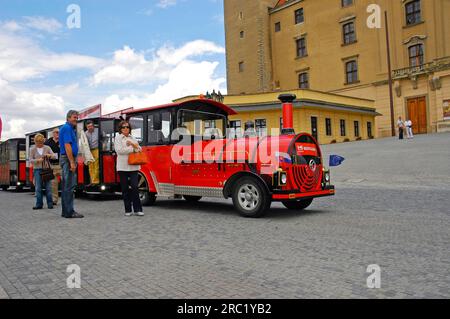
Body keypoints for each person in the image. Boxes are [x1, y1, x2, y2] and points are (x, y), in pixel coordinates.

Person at [114, 120, 144, 217]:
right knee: (125, 188)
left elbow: (140, 149)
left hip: (133, 166)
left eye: (127, 127)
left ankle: (138, 209)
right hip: (122, 167)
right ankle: (128, 209)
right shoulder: (118, 138)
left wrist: (132, 146)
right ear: (120, 129)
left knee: (135, 187)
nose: (125, 129)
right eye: (123, 127)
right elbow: (119, 150)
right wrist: (132, 149)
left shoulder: (133, 137)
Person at [60, 110, 84, 219]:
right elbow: (67, 146)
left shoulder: (69, 128)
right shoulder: (67, 128)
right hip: (67, 159)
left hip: (67, 158)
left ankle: (66, 211)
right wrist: (72, 162)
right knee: (69, 186)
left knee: (66, 186)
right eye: (75, 117)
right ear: (68, 118)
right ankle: (69, 212)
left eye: (77, 117)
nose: (76, 119)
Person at [30, 134, 56, 210]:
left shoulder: (47, 147)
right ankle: (39, 204)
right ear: (35, 142)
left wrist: (49, 155)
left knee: (48, 187)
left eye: (41, 142)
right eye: (38, 143)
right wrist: (37, 160)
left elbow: (55, 156)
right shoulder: (32, 149)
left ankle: (50, 204)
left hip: (47, 169)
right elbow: (30, 160)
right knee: (38, 188)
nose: (39, 144)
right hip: (37, 170)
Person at [45, 128, 61, 206]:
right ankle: (54, 200)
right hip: (51, 165)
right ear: (53, 133)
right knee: (53, 184)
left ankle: (66, 198)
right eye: (56, 132)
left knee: (66, 182)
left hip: (61, 164)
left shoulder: (63, 140)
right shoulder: (47, 142)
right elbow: (44, 153)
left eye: (59, 132)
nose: (58, 134)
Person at [85, 121, 100, 185]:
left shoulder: (99, 130)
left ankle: (95, 181)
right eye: (88, 127)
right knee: (90, 165)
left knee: (96, 165)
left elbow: (105, 138)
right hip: (89, 151)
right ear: (86, 127)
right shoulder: (85, 133)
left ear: (93, 126)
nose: (90, 128)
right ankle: (92, 180)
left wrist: (104, 145)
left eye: (91, 126)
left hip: (97, 149)